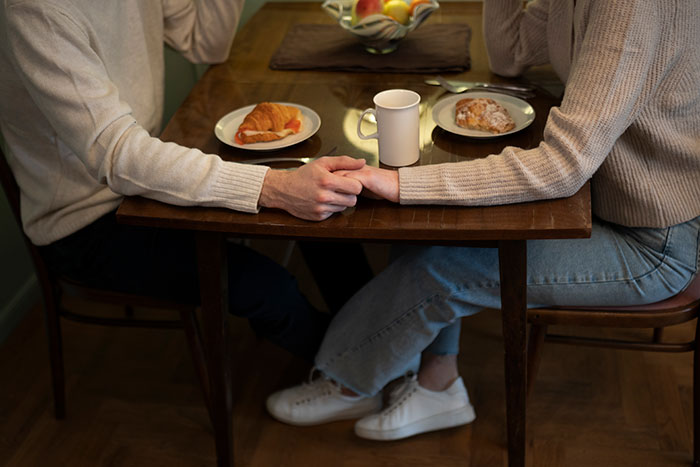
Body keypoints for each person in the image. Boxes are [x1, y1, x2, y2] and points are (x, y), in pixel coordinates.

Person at [265, 0, 700, 441]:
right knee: (430, 230)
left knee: (439, 267)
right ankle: (439, 384)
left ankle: (351, 381)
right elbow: (509, 55)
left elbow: (564, 165)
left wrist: (401, 184)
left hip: (653, 242)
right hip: (597, 199)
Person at [0, 0, 372, 362]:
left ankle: (382, 337)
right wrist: (275, 187)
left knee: (327, 222)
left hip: (143, 180)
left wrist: (283, 189)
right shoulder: (37, 12)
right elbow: (118, 156)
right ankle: (354, 369)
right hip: (85, 222)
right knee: (267, 286)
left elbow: (206, 41)